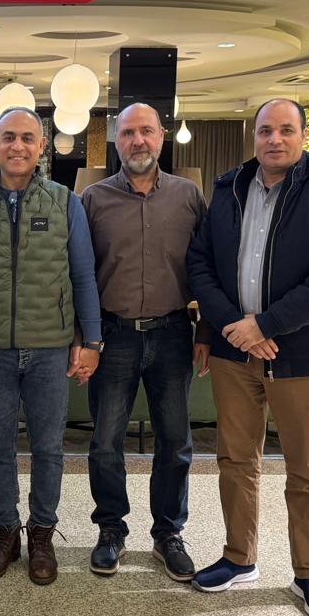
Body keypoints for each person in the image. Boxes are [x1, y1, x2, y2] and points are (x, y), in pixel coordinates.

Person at [187, 98, 309, 616]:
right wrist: (234, 327)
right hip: (233, 351)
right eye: (266, 130)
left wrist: (265, 325)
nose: (274, 139)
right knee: (236, 460)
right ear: (255, 136)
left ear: (302, 136)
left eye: (286, 130)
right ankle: (239, 557)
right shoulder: (228, 188)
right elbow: (200, 264)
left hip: (301, 355)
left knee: (307, 468)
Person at [0, 107, 102, 585]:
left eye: (27, 138)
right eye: (9, 137)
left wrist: (92, 339)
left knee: (48, 448)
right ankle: (5, 533)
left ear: (41, 147)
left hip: (50, 349)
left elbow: (83, 276)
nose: (18, 146)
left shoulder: (65, 202)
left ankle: (42, 534)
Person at [80, 103, 207, 581]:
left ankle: (168, 533)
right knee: (105, 442)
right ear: (116, 141)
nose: (138, 140)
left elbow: (208, 268)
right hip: (113, 336)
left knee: (175, 441)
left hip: (173, 333)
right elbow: (79, 275)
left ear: (161, 137)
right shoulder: (92, 200)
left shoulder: (188, 196)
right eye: (129, 132)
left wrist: (206, 331)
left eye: (147, 131)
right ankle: (111, 529)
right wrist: (85, 339)